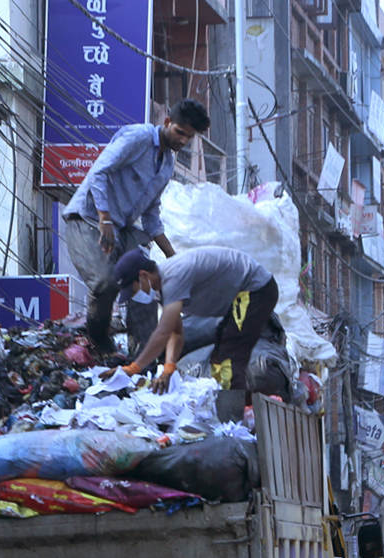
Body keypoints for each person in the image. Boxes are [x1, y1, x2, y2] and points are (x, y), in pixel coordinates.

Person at [60, 100, 209, 357]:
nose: (183, 141)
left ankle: (143, 356)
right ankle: (98, 340)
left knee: (148, 285)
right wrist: (104, 217)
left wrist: (174, 258)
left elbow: (151, 216)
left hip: (121, 228)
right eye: (179, 133)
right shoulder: (138, 137)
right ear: (167, 123)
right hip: (88, 218)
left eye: (189, 137)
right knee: (106, 283)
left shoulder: (167, 166)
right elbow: (99, 172)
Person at [119, 246, 279, 394]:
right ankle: (222, 406)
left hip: (255, 290)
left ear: (143, 275)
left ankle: (231, 416)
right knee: (218, 357)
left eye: (133, 290)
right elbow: (176, 333)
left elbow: (163, 332)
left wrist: (133, 368)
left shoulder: (173, 278)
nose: (134, 296)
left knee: (230, 357)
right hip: (238, 298)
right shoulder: (161, 291)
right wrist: (168, 369)